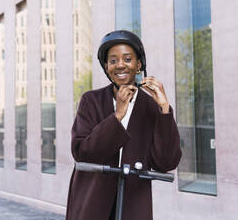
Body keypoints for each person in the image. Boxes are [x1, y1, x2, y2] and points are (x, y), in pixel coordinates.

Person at [65, 30, 182, 220]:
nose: (120, 65)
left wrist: (164, 110)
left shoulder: (151, 107)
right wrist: (117, 115)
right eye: (113, 60)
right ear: (106, 66)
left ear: (138, 65)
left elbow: (166, 162)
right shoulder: (91, 100)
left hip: (133, 204)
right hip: (92, 201)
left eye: (127, 59)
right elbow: (81, 152)